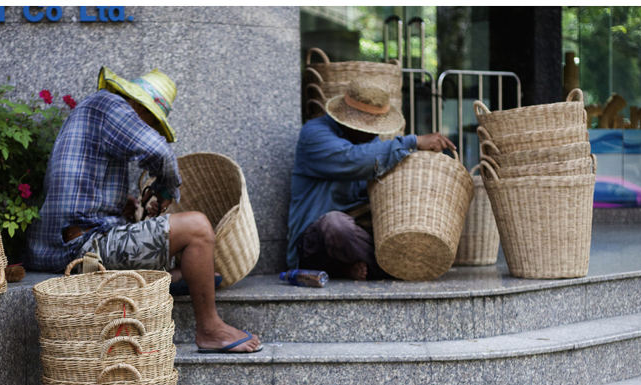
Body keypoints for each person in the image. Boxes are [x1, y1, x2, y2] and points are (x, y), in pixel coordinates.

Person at [26, 67, 261, 353]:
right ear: (137, 104)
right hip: (77, 250)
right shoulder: (109, 103)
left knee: (188, 261)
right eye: (152, 121)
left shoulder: (95, 112)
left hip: (64, 244)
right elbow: (160, 153)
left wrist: (125, 206)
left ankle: (177, 277)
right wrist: (165, 191)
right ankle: (210, 330)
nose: (149, 129)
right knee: (198, 228)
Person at [287, 79, 457, 281]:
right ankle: (396, 268)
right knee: (335, 225)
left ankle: (355, 269)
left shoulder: (370, 142)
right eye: (370, 126)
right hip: (313, 244)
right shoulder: (314, 134)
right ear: (348, 120)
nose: (375, 133)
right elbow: (352, 158)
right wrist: (414, 141)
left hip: (356, 234)